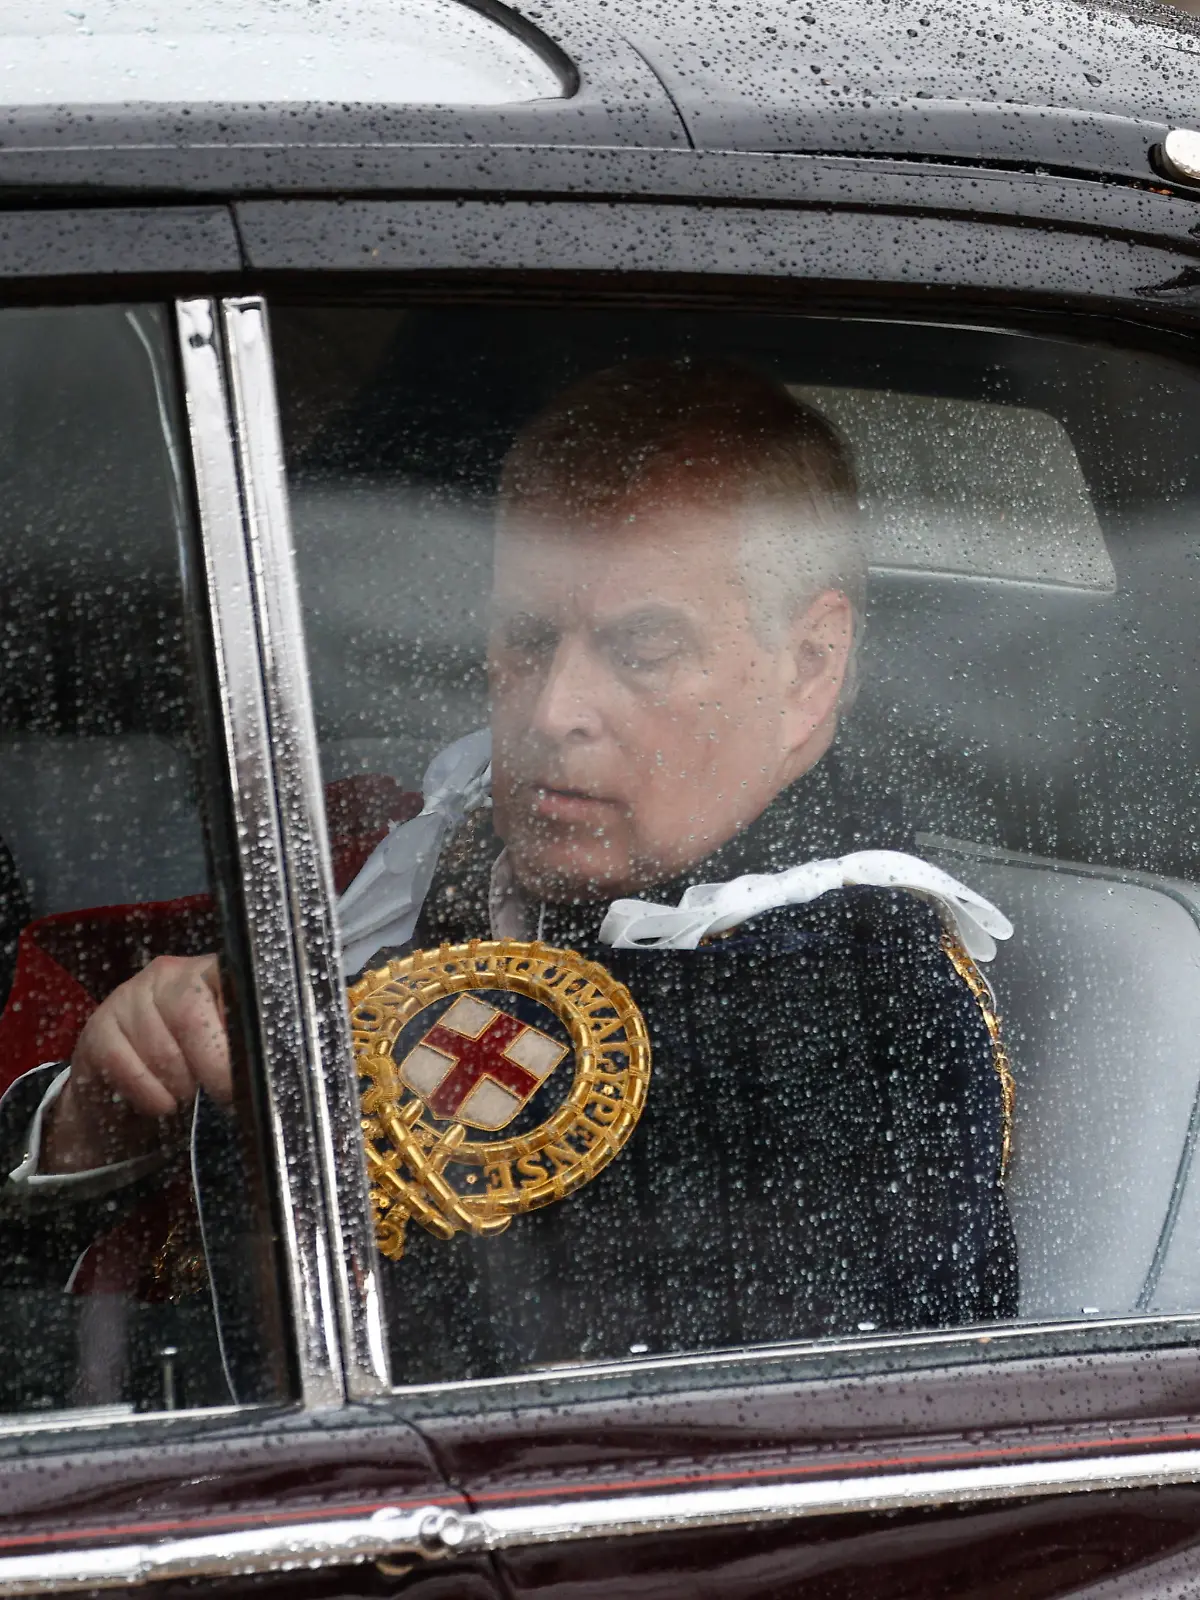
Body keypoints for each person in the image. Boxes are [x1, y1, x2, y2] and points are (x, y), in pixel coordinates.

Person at [0, 359, 1017, 1390]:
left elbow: (627, 1437)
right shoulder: (436, 854)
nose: (550, 712)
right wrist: (91, 1122)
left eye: (645, 651)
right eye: (525, 638)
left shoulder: (859, 1014)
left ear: (808, 667)